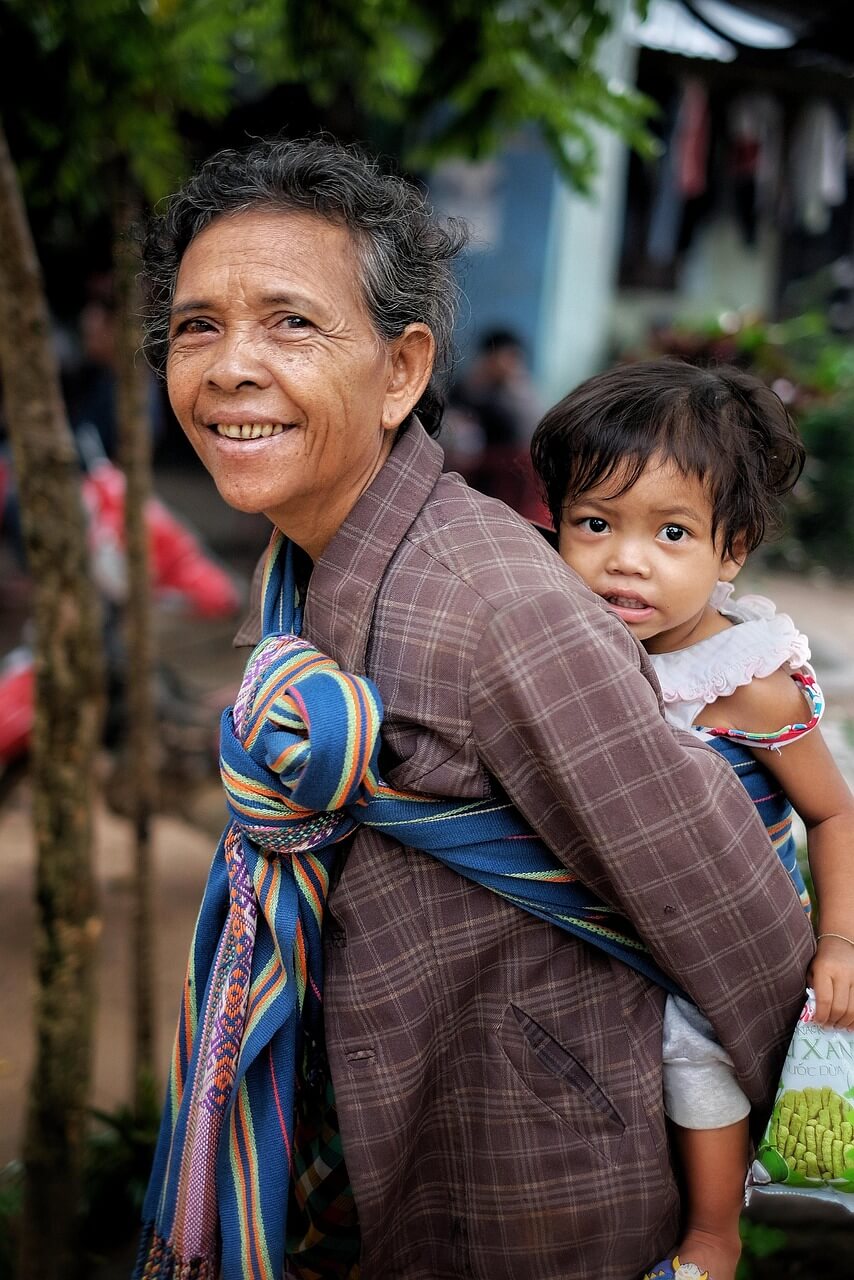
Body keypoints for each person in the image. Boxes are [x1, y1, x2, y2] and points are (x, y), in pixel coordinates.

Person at [135, 137, 812, 1280]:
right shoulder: (313, 565)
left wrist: (772, 1151)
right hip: (393, 1144)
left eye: (291, 322)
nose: (229, 366)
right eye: (197, 325)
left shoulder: (488, 601)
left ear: (401, 370)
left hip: (536, 1191)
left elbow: (733, 913)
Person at [531, 357, 854, 1280]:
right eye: (595, 524)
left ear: (732, 550)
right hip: (609, 924)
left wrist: (840, 945)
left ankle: (713, 1236)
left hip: (723, 934)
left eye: (672, 532)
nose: (626, 560)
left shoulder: (747, 683)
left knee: (691, 1044)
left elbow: (834, 817)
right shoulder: (567, 640)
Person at [444, 328, 546, 520]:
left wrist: (515, 385)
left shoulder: (520, 392)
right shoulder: (464, 388)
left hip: (510, 482)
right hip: (468, 475)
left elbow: (534, 432)